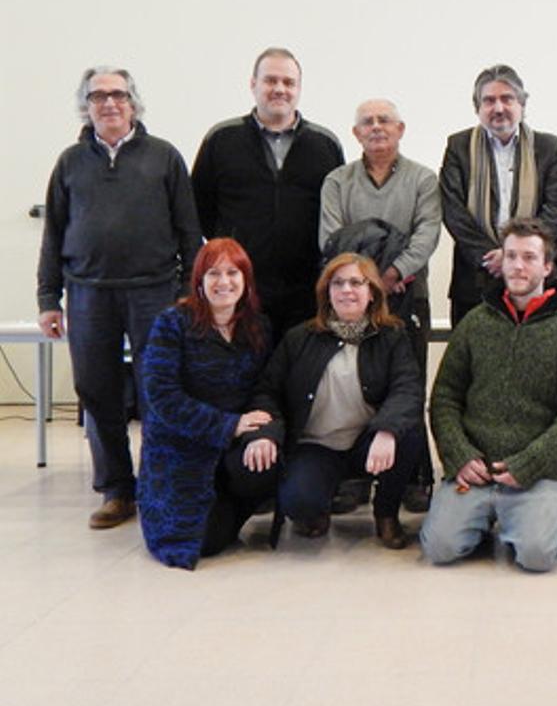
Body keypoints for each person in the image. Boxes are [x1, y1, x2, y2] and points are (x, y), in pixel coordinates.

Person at [37, 66, 202, 529]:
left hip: (155, 293)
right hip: (88, 294)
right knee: (97, 392)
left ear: (134, 103)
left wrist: (190, 293)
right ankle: (116, 490)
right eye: (98, 96)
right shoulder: (70, 162)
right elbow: (53, 234)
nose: (109, 103)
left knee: (158, 392)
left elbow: (190, 233)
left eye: (118, 94)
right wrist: (49, 298)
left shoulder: (164, 157)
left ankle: (156, 485)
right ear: (86, 106)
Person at [421, 218, 557, 572]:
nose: (519, 266)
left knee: (536, 557)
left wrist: (531, 463)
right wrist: (459, 455)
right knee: (439, 549)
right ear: (500, 261)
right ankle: (495, 516)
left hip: (540, 471)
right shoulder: (476, 322)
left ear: (547, 266)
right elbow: (444, 396)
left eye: (530, 258)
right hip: (478, 467)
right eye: (511, 256)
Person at [250, 253, 426, 549]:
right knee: (299, 503)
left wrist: (387, 430)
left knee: (409, 433)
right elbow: (266, 391)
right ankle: (317, 508)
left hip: (367, 442)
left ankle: (386, 514)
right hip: (316, 446)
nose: (347, 290)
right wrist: (265, 433)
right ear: (326, 293)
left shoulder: (392, 336)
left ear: (371, 293)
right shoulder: (299, 338)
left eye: (356, 282)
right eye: (338, 283)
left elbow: (407, 388)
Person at [320, 97, 441, 512]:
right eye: (367, 122)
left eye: (385, 120)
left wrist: (389, 277)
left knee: (408, 386)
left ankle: (412, 476)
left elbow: (426, 235)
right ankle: (355, 477)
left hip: (407, 297)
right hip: (351, 302)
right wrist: (364, 285)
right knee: (356, 387)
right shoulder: (338, 181)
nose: (376, 127)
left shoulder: (423, 180)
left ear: (401, 129)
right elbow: (331, 239)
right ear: (356, 133)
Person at [138, 239, 276, 568]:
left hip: (231, 442)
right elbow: (162, 397)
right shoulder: (172, 323)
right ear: (198, 280)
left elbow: (264, 387)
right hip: (179, 445)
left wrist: (259, 431)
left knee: (264, 465)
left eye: (232, 272)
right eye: (213, 273)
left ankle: (228, 499)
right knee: (204, 542)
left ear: (246, 280)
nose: (224, 282)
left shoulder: (258, 327)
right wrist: (227, 425)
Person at [192, 47, 344, 339]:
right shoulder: (221, 139)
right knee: (245, 376)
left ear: (299, 89)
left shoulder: (324, 145)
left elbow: (337, 212)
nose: (279, 89)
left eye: (288, 83)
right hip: (241, 290)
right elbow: (200, 208)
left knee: (296, 378)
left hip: (306, 289)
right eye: (270, 80)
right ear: (253, 84)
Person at [439, 64, 557, 326]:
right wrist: (493, 257)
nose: (498, 108)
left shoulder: (548, 147)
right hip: (475, 278)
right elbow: (452, 210)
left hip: (533, 282)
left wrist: (515, 255)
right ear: (477, 108)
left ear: (522, 104)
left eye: (507, 99)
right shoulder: (459, 146)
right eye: (489, 100)